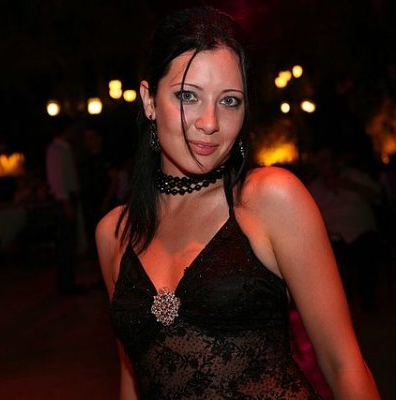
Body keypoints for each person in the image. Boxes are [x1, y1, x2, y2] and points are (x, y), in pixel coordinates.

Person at [96, 7, 379, 399]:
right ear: (149, 100)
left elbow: (342, 364)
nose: (210, 122)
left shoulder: (269, 199)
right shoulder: (115, 234)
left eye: (229, 101)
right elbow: (131, 377)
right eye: (188, 96)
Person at [307, 148, 383, 312]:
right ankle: (340, 306)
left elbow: (377, 195)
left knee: (367, 251)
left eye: (329, 160)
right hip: (332, 238)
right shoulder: (314, 188)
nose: (327, 165)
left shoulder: (354, 176)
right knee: (328, 260)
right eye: (322, 161)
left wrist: (351, 186)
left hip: (361, 232)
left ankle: (368, 301)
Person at [46, 117, 86, 295]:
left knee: (70, 242)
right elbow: (57, 180)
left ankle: (69, 281)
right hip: (64, 200)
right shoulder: (56, 150)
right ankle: (66, 284)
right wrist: (65, 202)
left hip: (69, 199)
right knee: (65, 242)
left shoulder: (65, 149)